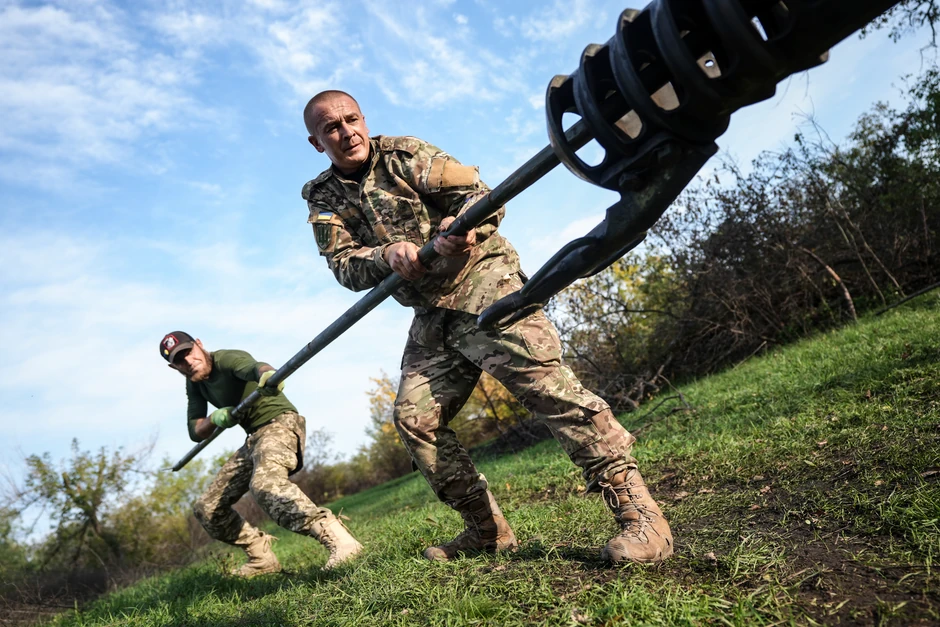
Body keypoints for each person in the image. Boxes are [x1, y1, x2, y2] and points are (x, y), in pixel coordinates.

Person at [300, 90, 673, 564]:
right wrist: (383, 255)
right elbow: (344, 266)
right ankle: (487, 531)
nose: (346, 131)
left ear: (364, 119)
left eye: (352, 119)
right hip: (432, 315)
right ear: (317, 142)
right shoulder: (323, 198)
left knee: (550, 392)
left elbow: (482, 197)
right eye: (331, 127)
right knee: (416, 421)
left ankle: (642, 518)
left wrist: (465, 227)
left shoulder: (406, 155)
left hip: (485, 284)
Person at [160, 331, 363, 575]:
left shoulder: (227, 359)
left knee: (265, 484)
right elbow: (195, 429)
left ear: (199, 345)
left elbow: (255, 367)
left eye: (188, 352)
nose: (188, 361)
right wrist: (215, 418)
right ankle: (261, 558)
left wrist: (268, 375)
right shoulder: (194, 383)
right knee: (207, 507)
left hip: (280, 424)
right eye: (179, 360)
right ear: (175, 368)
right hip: (253, 439)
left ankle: (341, 540)